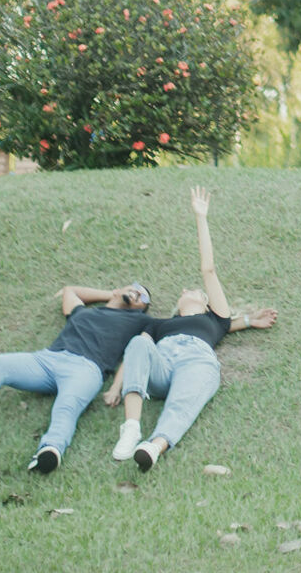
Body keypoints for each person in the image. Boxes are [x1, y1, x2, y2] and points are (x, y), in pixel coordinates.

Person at [103, 185, 276, 469]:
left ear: (206, 302)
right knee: (138, 341)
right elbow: (136, 354)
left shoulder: (216, 319)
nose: (186, 289)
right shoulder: (158, 324)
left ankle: (154, 447)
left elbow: (208, 269)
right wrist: (116, 387)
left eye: (193, 289)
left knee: (183, 405)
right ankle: (131, 428)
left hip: (196, 362)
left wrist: (201, 217)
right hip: (162, 363)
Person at [0, 280, 153, 473]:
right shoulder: (83, 312)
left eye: (142, 295)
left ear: (141, 308)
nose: (136, 292)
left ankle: (50, 450)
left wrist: (115, 387)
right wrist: (112, 294)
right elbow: (70, 292)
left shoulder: (138, 321)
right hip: (47, 360)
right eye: (134, 287)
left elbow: (135, 353)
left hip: (86, 369)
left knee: (67, 406)